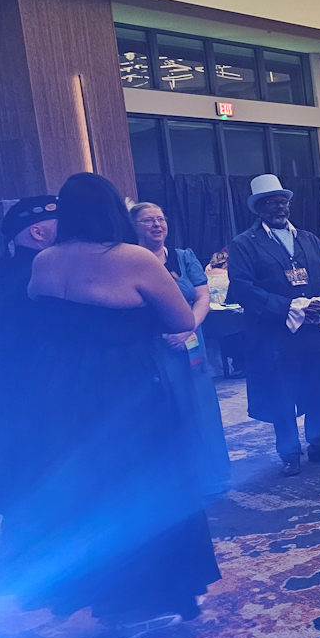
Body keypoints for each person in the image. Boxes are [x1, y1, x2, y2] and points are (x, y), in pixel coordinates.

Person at [0, 173, 220, 638]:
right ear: (115, 209)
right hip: (127, 385)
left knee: (95, 489)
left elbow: (44, 316)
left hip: (66, 390)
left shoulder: (45, 261)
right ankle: (152, 595)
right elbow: (180, 318)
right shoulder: (133, 258)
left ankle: (107, 592)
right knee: (152, 483)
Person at [228, 174, 320, 477]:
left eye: (283, 201)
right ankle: (289, 454)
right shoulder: (244, 244)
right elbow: (243, 288)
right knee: (282, 394)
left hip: (316, 330)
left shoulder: (310, 239)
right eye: (272, 202)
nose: (279, 206)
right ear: (259, 208)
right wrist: (289, 307)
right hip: (276, 336)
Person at [130, 203, 230, 496]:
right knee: (167, 404)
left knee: (199, 403)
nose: (157, 225)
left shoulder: (184, 257)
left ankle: (210, 475)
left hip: (190, 340)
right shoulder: (130, 260)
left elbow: (202, 297)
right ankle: (176, 480)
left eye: (161, 219)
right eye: (148, 220)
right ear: (134, 226)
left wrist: (187, 328)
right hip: (153, 344)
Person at [0, 195, 58, 519]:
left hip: (16, 383)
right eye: (60, 224)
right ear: (37, 232)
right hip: (35, 384)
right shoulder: (34, 270)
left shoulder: (11, 267)